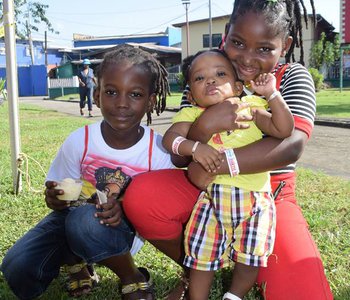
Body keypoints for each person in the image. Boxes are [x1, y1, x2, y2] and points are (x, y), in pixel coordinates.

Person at [123, 0, 334, 299]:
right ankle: (196, 267)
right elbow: (179, 155)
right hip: (207, 192)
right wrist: (207, 124)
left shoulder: (289, 77)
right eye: (237, 43)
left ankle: (240, 261)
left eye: (263, 49)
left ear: (284, 45)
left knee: (305, 292)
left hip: (268, 194)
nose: (247, 59)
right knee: (143, 195)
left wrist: (215, 164)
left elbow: (291, 145)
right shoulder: (206, 73)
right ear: (226, 34)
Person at [1, 44, 172, 300]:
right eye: (111, 92)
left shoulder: (158, 150)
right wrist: (55, 198)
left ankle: (131, 276)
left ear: (150, 101)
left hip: (120, 229)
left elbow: (162, 209)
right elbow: (59, 193)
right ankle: (77, 263)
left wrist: (125, 208)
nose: (122, 103)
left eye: (135, 94)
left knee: (84, 220)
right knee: (17, 266)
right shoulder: (79, 140)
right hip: (75, 220)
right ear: (96, 95)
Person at [162, 49, 293, 300]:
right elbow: (171, 140)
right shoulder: (191, 113)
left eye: (220, 74)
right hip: (212, 203)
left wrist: (272, 94)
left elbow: (284, 128)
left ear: (236, 86)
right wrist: (195, 147)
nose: (210, 80)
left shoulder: (251, 106)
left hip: (255, 201)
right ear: (190, 94)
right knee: (201, 256)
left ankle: (233, 296)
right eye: (200, 78)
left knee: (251, 256)